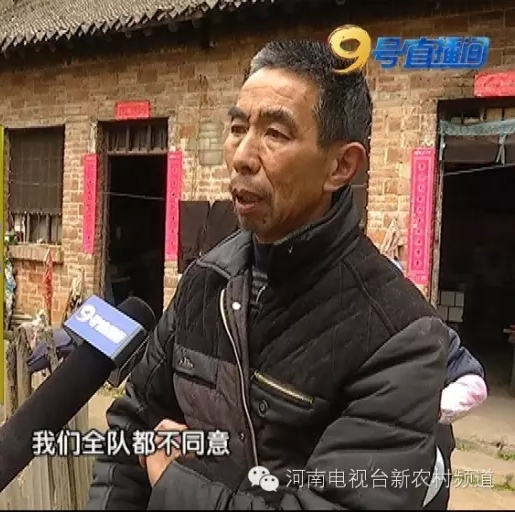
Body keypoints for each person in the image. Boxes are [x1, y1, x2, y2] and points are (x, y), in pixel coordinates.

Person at [88, 39, 453, 510]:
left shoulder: (399, 336)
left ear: (341, 165)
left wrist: (175, 487)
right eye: (238, 128)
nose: (242, 155)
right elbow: (133, 424)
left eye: (275, 134)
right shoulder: (206, 281)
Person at [387, 257, 488, 424]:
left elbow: (474, 384)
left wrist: (428, 411)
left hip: (419, 433)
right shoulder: (350, 329)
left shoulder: (426, 328)